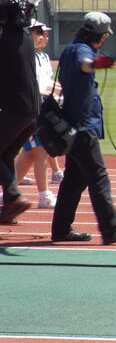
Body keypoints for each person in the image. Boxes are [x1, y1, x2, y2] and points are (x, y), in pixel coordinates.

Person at [50, 11, 116, 244]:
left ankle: (60, 229)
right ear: (99, 35)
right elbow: (85, 64)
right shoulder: (82, 50)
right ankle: (110, 229)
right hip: (83, 127)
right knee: (98, 178)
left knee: (74, 181)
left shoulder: (69, 48)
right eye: (105, 35)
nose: (106, 38)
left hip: (72, 126)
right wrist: (98, 63)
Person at [0, 0, 39, 224]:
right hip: (33, 111)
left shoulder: (3, 36)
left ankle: (14, 198)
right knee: (5, 154)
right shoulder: (24, 33)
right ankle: (9, 207)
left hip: (14, 108)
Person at [14, 20, 61, 209]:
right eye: (39, 33)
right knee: (40, 150)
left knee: (29, 154)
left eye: (45, 33)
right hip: (32, 108)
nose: (44, 37)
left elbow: (47, 82)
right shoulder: (26, 56)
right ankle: (44, 195)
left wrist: (60, 90)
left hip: (42, 107)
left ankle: (9, 193)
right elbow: (32, 85)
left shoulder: (43, 57)